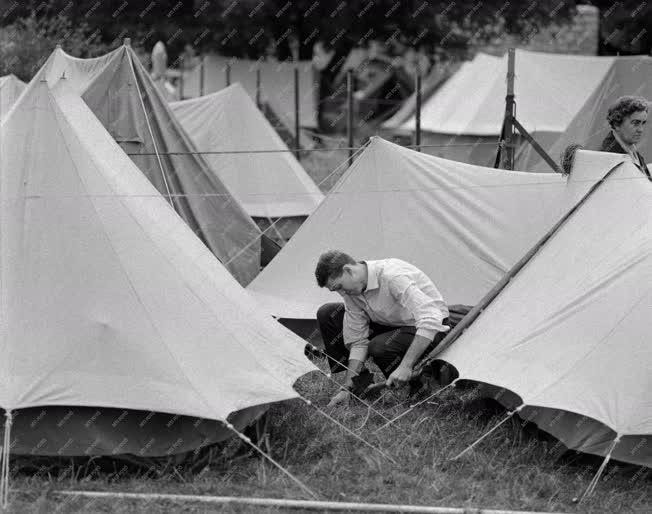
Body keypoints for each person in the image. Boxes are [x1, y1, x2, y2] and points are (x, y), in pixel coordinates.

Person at [314, 250, 450, 407]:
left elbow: (430, 318)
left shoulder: (392, 276)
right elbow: (358, 341)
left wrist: (405, 366)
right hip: (394, 326)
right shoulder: (351, 291)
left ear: (348, 270)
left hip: (432, 329)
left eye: (340, 287)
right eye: (335, 290)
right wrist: (347, 388)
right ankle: (359, 386)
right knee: (328, 313)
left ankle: (418, 384)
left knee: (379, 346)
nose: (341, 293)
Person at [600, 96, 650, 180]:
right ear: (617, 124)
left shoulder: (631, 150)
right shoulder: (607, 157)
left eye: (643, 123)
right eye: (636, 123)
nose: (641, 130)